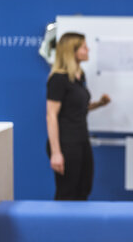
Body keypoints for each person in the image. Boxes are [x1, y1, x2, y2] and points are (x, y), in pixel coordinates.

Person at [46, 32, 110, 200]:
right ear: (71, 51)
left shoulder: (80, 77)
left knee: (84, 189)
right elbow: (51, 115)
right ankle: (60, 226)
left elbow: (78, 109)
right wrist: (56, 153)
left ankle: (77, 226)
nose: (88, 49)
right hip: (66, 143)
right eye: (83, 47)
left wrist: (100, 104)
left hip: (82, 140)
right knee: (67, 192)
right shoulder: (58, 79)